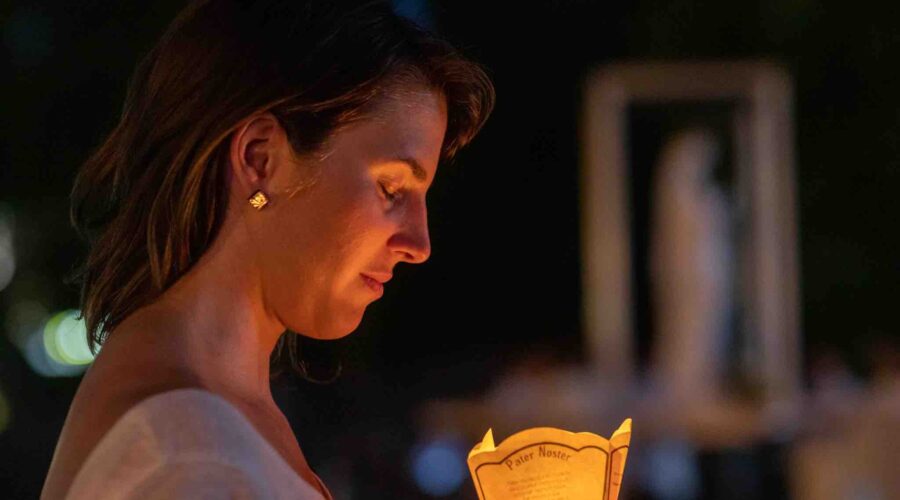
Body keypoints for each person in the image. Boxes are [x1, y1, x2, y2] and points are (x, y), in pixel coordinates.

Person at [40, 0, 494, 498]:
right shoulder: (185, 452)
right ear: (260, 159)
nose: (419, 245)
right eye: (391, 188)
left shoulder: (211, 414)